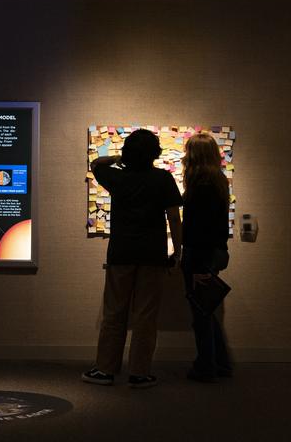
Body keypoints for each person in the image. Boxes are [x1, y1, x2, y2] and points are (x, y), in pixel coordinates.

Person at [81, 129, 182, 389]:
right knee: (145, 316)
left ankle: (105, 369)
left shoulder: (118, 177)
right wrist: (178, 251)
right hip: (152, 255)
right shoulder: (163, 178)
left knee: (114, 313)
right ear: (155, 153)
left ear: (128, 152)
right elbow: (174, 218)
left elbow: (97, 164)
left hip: (121, 253)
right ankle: (139, 372)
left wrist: (120, 157)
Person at [180, 132, 233, 382]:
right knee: (207, 311)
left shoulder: (199, 187)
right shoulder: (219, 182)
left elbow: (197, 228)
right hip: (215, 252)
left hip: (199, 254)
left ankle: (207, 366)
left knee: (201, 314)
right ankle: (220, 364)